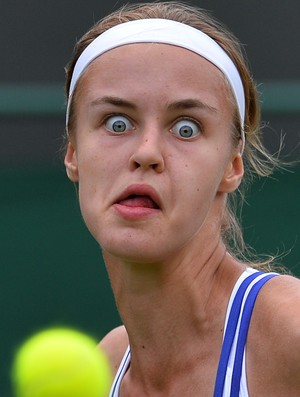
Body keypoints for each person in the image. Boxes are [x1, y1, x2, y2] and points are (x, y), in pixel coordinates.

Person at [63, 2, 300, 396]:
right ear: (73, 152)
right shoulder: (105, 366)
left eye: (186, 128)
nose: (147, 152)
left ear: (232, 165)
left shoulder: (291, 332)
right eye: (116, 122)